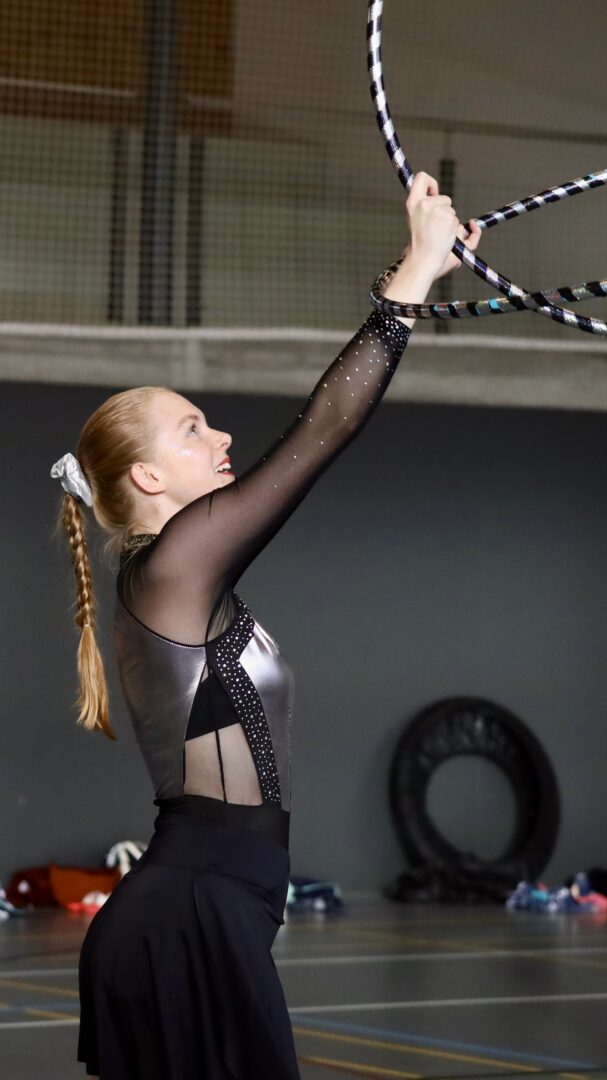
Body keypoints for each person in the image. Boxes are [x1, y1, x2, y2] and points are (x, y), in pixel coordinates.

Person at [53, 173, 480, 1080]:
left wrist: (416, 274)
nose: (220, 440)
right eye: (192, 430)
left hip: (207, 906)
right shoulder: (171, 568)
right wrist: (410, 275)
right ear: (147, 479)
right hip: (192, 910)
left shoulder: (181, 577)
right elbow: (323, 430)